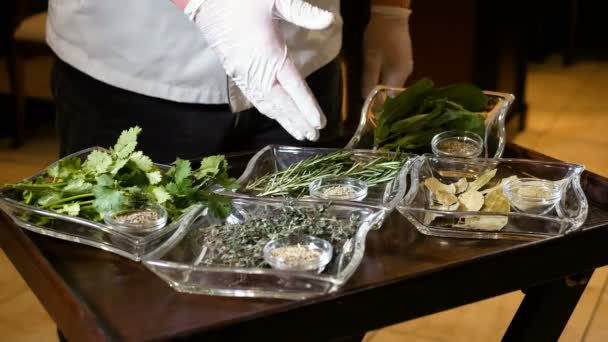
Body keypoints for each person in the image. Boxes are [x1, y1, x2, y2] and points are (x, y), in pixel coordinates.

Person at [47, 0, 413, 164]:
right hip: (134, 69)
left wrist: (390, 10)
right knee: (127, 296)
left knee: (311, 274)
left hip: (302, 59)